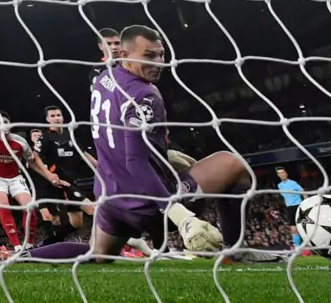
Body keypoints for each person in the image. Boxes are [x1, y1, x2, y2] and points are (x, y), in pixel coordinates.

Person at [24, 25, 281, 263]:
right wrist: (179, 214)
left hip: (111, 197)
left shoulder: (103, 79)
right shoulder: (144, 94)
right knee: (232, 164)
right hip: (146, 201)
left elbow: (119, 137)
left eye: (161, 55)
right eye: (149, 56)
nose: (159, 63)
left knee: (97, 254)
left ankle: (25, 256)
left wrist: (162, 154)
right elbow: (135, 161)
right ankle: (235, 251)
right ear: (123, 53)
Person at [0, 111, 69, 252]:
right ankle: (17, 247)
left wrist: (49, 176)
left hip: (16, 178)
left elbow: (32, 162)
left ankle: (28, 245)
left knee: (29, 209)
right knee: (4, 205)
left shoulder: (20, 142)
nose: (2, 125)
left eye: (5, 122)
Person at [33, 106, 97, 245]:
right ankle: (98, 245)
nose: (56, 118)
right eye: (53, 116)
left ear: (62, 117)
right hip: (61, 183)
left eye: (58, 115)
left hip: (72, 180)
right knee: (93, 209)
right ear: (48, 119)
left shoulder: (70, 135)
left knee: (77, 223)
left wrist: (99, 166)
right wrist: (49, 174)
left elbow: (83, 153)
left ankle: (49, 244)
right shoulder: (46, 137)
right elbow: (35, 156)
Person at [276, 166, 307, 249]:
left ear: (286, 173)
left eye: (282, 172)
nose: (281, 174)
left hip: (298, 206)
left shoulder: (293, 183)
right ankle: (297, 248)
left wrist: (306, 204)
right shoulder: (279, 185)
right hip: (290, 209)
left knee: (304, 227)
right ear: (278, 175)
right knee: (293, 229)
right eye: (279, 173)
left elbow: (303, 192)